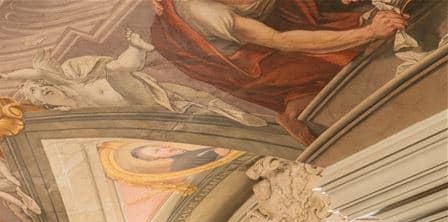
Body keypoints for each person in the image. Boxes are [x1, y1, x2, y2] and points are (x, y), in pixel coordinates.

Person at [149, 0, 409, 142]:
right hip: (250, 54)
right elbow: (280, 40)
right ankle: (296, 109)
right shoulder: (205, 13)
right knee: (326, 65)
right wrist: (368, 33)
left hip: (271, 18)